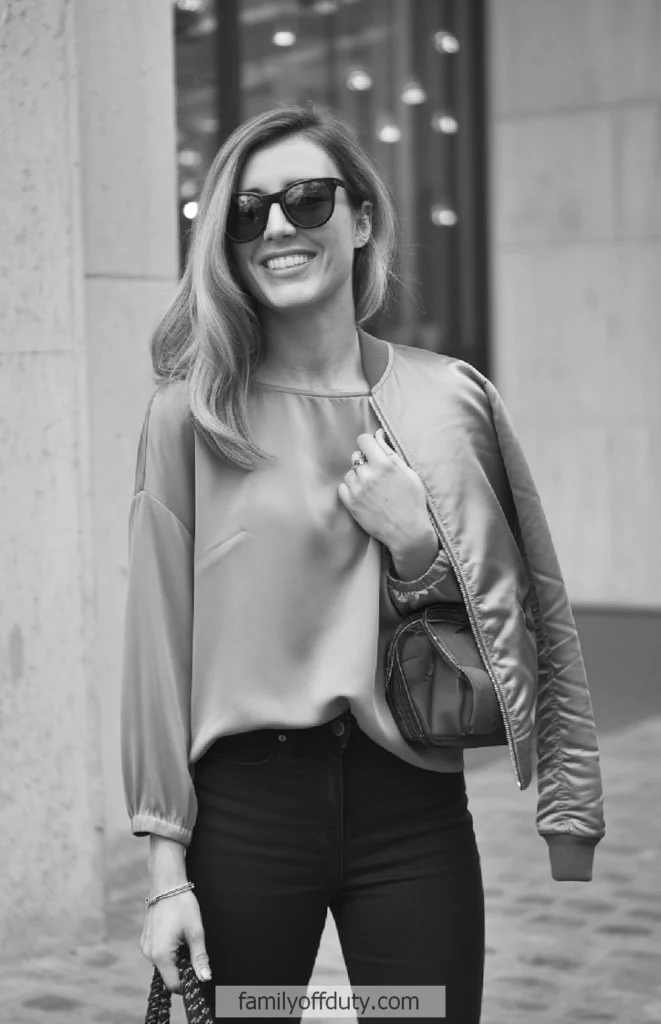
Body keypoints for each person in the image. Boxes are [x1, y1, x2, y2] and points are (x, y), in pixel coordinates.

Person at [121, 105, 603, 1024]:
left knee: (416, 1015)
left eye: (306, 201)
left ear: (362, 219)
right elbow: (156, 646)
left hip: (410, 807)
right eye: (247, 211)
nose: (276, 228)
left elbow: (526, 611)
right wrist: (163, 875)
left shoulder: (447, 396)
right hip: (245, 816)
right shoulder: (192, 416)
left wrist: (417, 543)